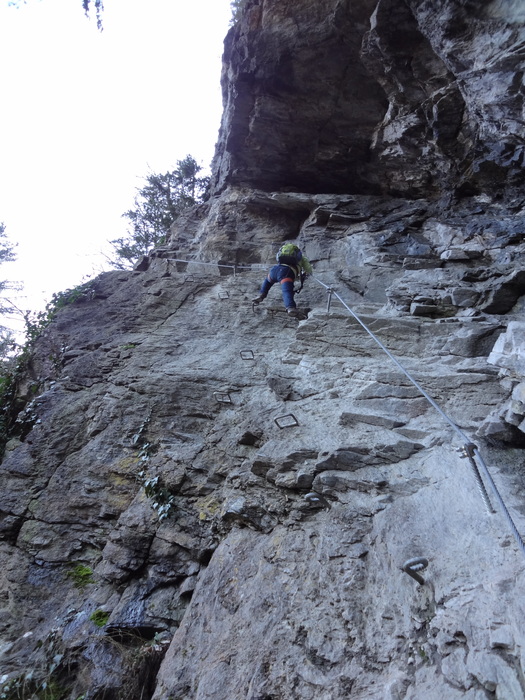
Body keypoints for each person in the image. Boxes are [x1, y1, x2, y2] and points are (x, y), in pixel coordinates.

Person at [252, 243, 313, 316]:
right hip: (286, 272)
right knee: (287, 291)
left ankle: (261, 295)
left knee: (267, 282)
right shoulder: (302, 257)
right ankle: (290, 308)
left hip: (274, 270)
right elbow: (308, 269)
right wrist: (308, 274)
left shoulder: (282, 255)